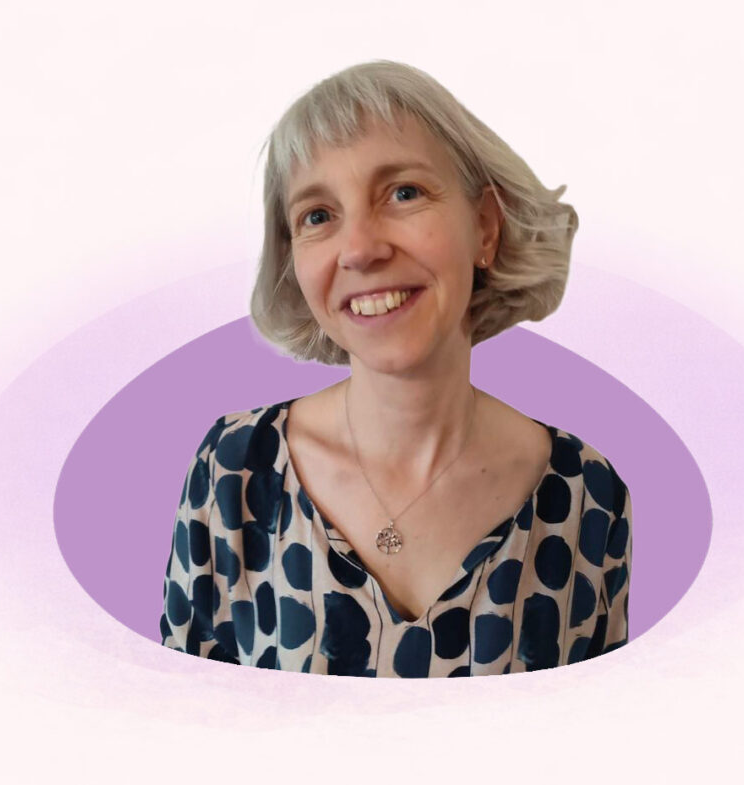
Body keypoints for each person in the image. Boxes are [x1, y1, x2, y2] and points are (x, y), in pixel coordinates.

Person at [160, 61, 632, 677]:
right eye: (317, 215)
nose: (360, 250)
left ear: (485, 228)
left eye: (403, 193)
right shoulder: (233, 471)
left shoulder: (589, 497)